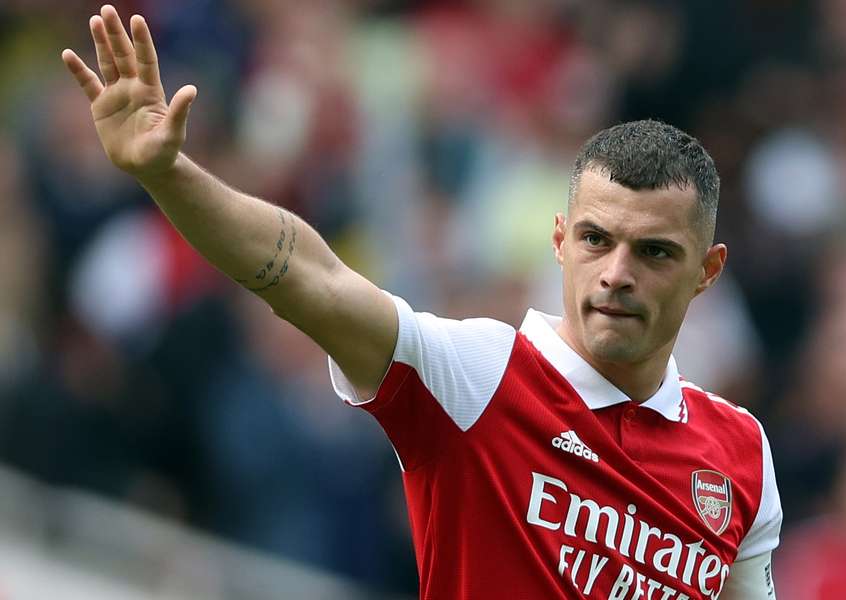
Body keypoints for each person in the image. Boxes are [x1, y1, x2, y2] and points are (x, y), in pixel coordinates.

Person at [62, 5, 782, 599]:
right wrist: (171, 175)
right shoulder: (478, 376)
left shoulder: (741, 456)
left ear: (707, 272)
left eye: (655, 252)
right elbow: (311, 277)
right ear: (559, 241)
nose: (617, 273)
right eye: (597, 239)